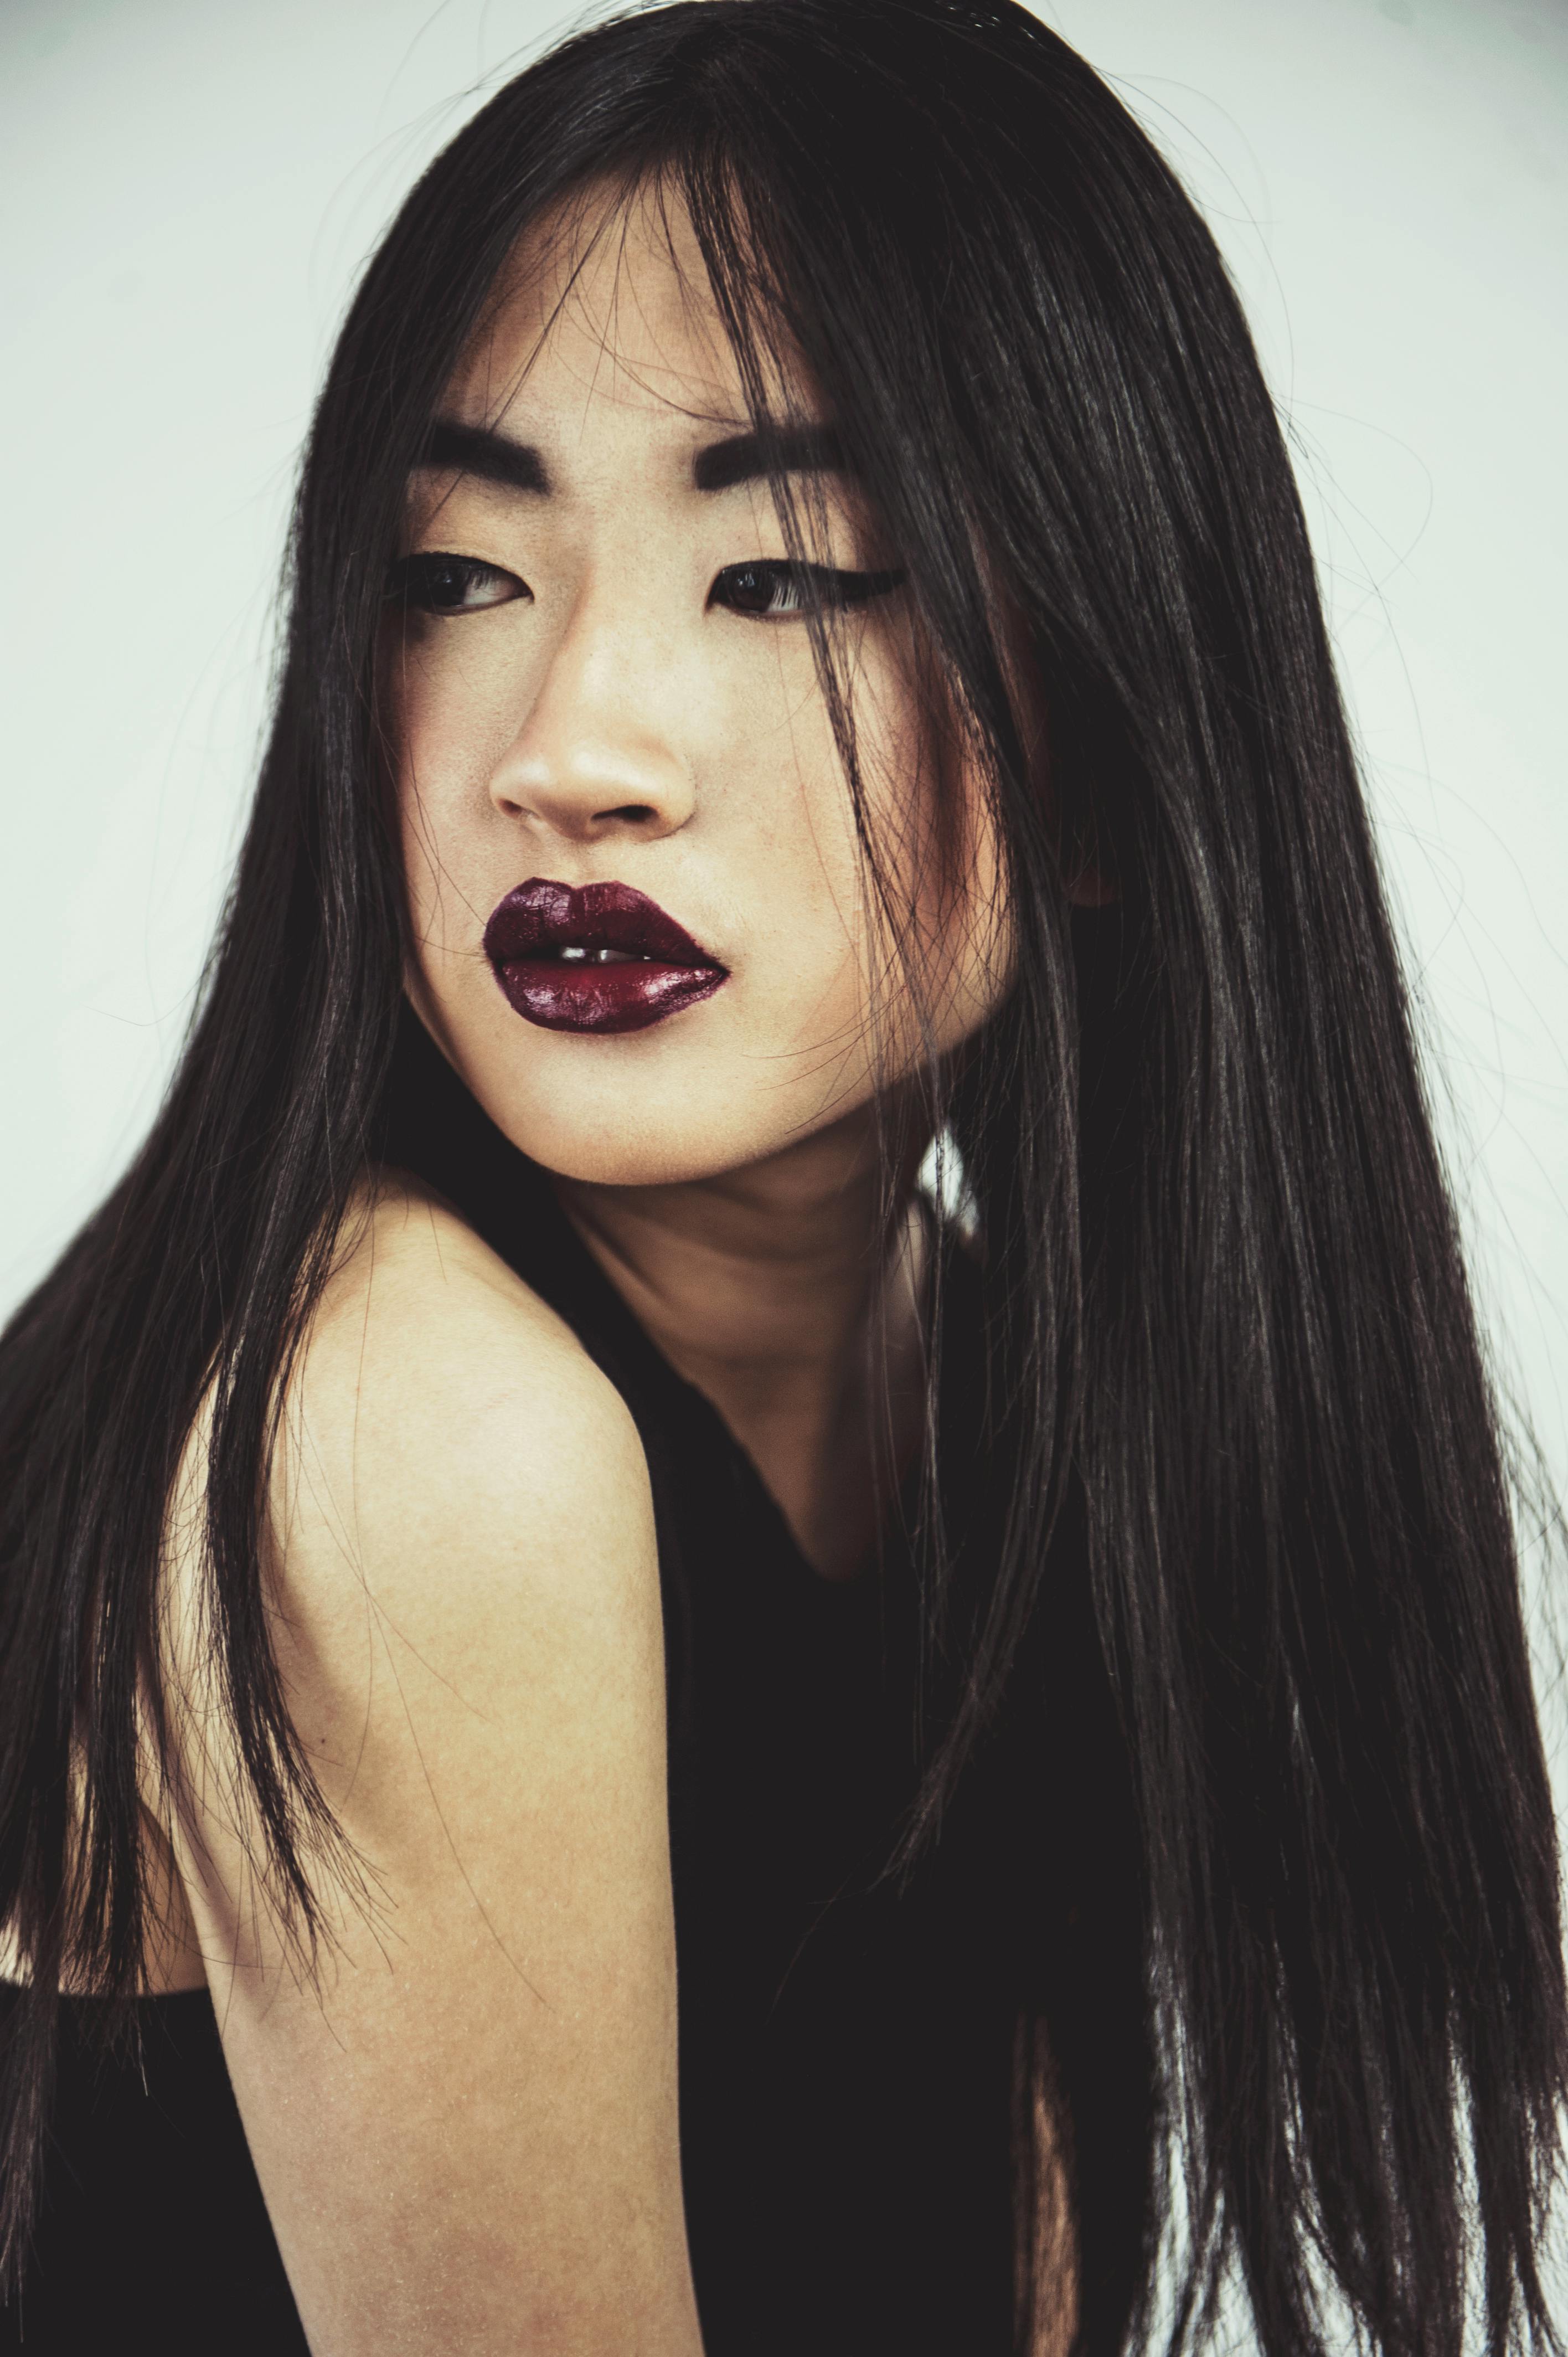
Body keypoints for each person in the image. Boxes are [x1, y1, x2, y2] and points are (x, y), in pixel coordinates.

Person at [0, 2, 1562, 2350]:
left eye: (795, 575)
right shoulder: (415, 1428)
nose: (573, 750)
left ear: (1122, 747)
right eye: (452, 570)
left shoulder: (988, 1379)